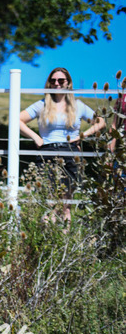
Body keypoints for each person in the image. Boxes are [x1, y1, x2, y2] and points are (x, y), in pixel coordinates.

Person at [19, 65, 105, 223]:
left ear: (68, 83)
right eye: (53, 81)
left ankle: (65, 240)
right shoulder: (42, 104)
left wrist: (82, 135)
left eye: (60, 80)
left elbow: (101, 122)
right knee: (50, 202)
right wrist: (36, 138)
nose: (56, 83)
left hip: (70, 152)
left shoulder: (77, 105)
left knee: (66, 204)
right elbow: (18, 120)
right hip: (47, 152)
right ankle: (48, 240)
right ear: (49, 83)